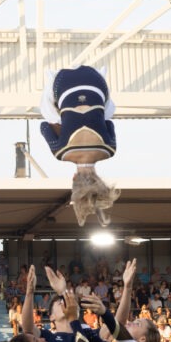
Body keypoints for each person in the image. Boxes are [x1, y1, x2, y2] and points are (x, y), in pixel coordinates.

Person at [39, 65, 119, 226]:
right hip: (61, 82)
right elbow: (44, 126)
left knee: (105, 112)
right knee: (48, 114)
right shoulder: (61, 152)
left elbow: (108, 123)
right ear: (74, 178)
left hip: (97, 81)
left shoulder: (109, 150)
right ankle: (50, 75)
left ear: (99, 178)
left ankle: (101, 72)